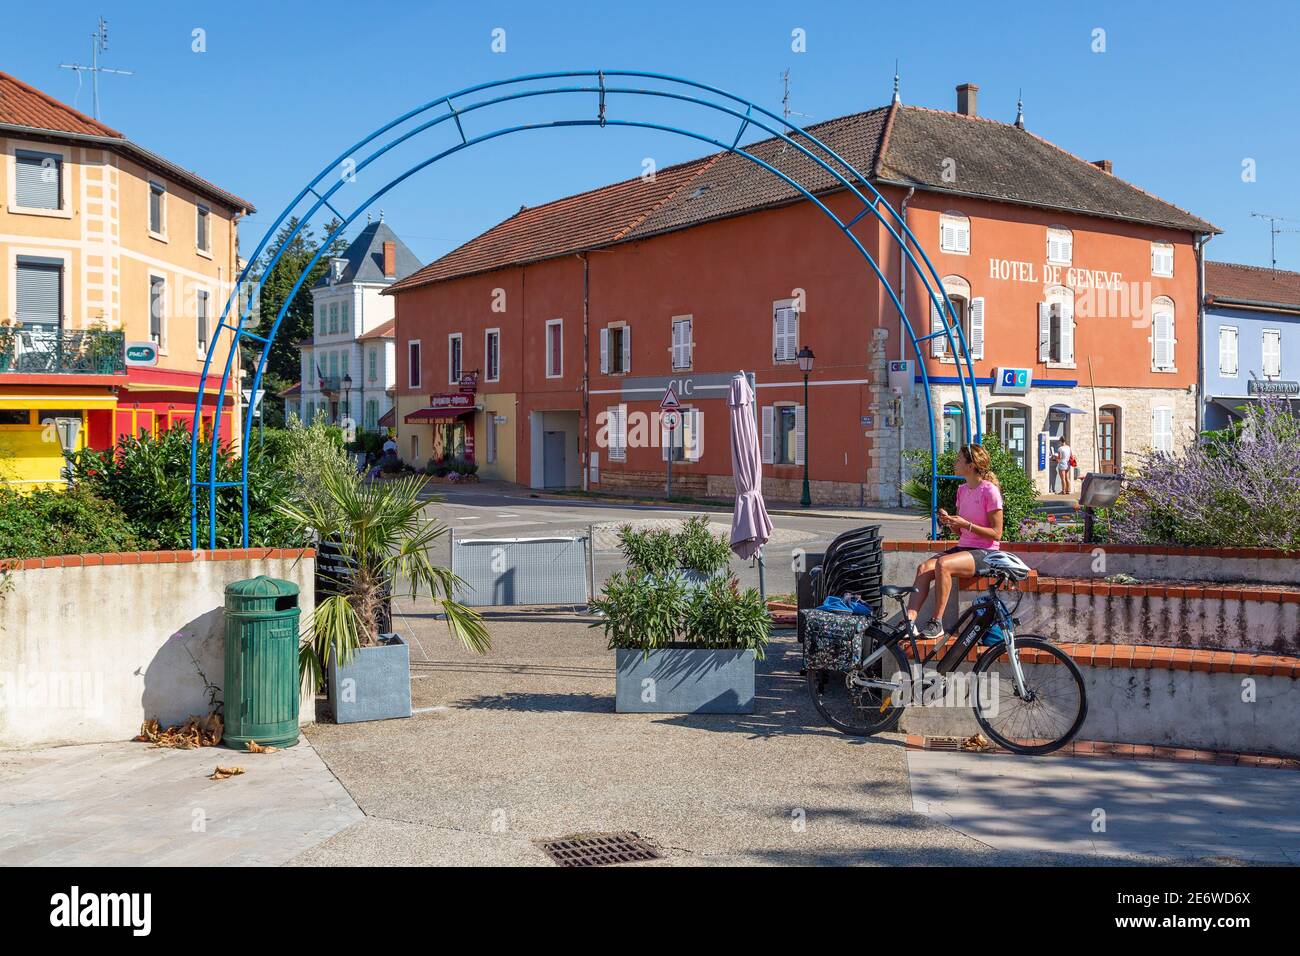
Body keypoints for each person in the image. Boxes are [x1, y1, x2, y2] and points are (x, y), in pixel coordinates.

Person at [906, 444, 1005, 640]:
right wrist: (951, 522)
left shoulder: (990, 491)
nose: (955, 463)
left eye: (959, 459)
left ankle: (936, 622)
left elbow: (996, 533)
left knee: (943, 564)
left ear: (971, 465)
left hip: (986, 552)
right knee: (924, 568)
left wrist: (966, 525)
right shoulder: (962, 490)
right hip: (965, 547)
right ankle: (908, 622)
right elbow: (959, 529)